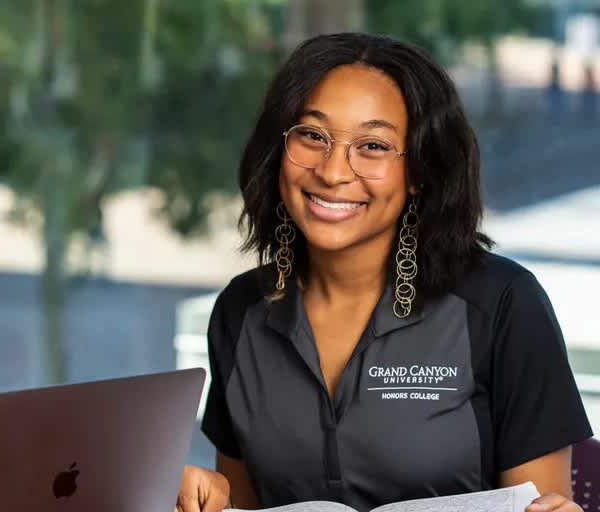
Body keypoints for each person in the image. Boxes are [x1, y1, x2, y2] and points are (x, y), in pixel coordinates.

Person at [175, 33, 592, 512]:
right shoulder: (240, 312)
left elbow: (541, 503)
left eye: (372, 146)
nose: (333, 172)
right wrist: (206, 499)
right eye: (312, 136)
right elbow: (242, 503)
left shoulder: (503, 305)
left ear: (419, 170)